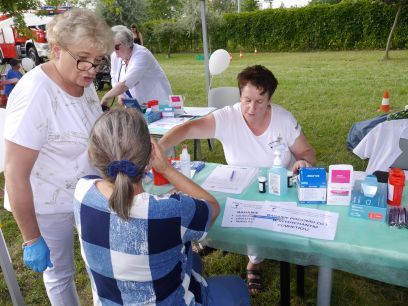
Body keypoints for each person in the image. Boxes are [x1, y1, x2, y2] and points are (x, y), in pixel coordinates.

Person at [159, 65, 316, 294]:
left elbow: (307, 153)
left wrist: (304, 164)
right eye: (246, 100)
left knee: (260, 219)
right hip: (237, 185)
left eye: (259, 102)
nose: (251, 108)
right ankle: (211, 241)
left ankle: (254, 261)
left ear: (270, 99)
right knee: (202, 201)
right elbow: (188, 128)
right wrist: (161, 146)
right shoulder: (228, 116)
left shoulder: (282, 119)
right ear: (239, 96)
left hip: (276, 189)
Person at [73, 108, 250, 306]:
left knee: (195, 262)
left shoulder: (82, 191)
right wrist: (166, 168)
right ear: (150, 154)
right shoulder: (168, 212)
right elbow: (212, 207)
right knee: (237, 287)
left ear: (92, 155)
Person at [3, 8, 113, 305]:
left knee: (100, 264)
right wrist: (31, 238)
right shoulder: (36, 94)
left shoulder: (82, 80)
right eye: (83, 59)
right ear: (55, 50)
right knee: (59, 274)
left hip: (85, 192)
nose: (91, 69)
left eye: (97, 60)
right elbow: (14, 171)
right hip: (47, 203)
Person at [100, 25, 172, 109]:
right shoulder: (114, 55)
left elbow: (126, 82)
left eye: (116, 47)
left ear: (127, 43)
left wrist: (106, 98)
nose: (113, 50)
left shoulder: (141, 54)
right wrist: (120, 94)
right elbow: (114, 76)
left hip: (158, 104)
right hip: (136, 106)